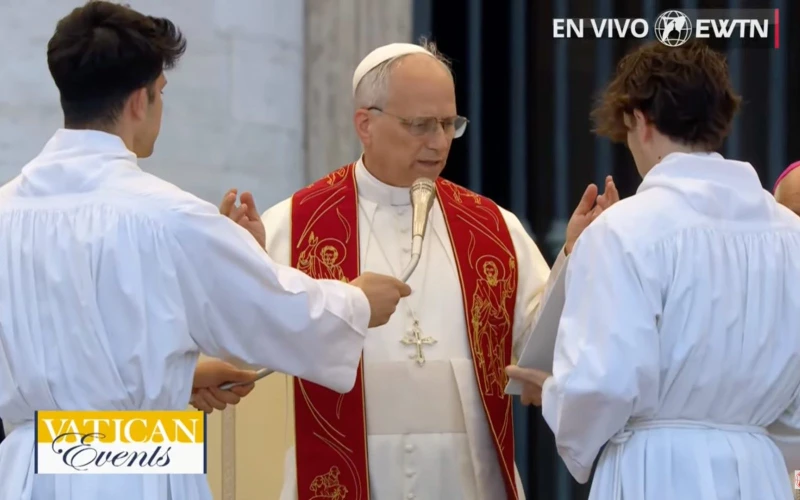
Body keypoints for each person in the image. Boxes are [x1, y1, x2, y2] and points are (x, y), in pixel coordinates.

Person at [0, 3, 410, 500]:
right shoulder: (168, 217)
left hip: (29, 469)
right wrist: (358, 302)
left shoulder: (6, 210)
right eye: (162, 92)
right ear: (140, 100)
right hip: (133, 471)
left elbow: (74, 347)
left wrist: (174, 376)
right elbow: (276, 311)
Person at [213, 41, 618, 499]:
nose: (439, 142)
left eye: (449, 124)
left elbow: (538, 348)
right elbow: (239, 358)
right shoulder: (298, 222)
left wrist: (575, 258)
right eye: (420, 125)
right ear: (365, 124)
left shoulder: (491, 227)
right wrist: (243, 270)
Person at [505, 40, 800, 500]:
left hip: (657, 470)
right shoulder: (791, 234)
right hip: (758, 471)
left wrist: (557, 393)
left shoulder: (624, 230)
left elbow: (601, 386)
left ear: (639, 120)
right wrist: (750, 447)